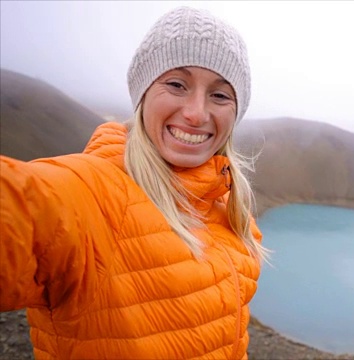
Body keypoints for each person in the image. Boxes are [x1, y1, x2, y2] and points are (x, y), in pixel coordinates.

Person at [0, 6, 269, 359]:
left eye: (220, 95)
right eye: (176, 84)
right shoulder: (89, 193)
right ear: (143, 93)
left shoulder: (230, 211)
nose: (196, 113)